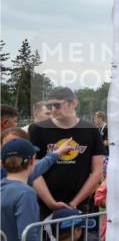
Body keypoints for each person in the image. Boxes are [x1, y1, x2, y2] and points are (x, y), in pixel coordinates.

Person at [27, 88, 105, 217]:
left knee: (79, 237)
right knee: (44, 237)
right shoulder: (38, 129)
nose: (52, 109)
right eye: (49, 105)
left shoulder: (90, 130)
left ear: (73, 103)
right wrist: (51, 203)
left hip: (79, 204)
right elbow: (33, 169)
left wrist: (74, 203)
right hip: (44, 205)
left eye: (57, 105)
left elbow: (97, 171)